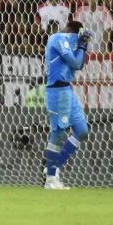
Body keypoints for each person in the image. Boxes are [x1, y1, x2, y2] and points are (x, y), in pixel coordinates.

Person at [44, 20, 93, 190]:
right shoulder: (58, 38)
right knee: (57, 134)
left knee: (82, 131)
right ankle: (50, 179)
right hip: (56, 92)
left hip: (67, 92)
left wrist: (83, 46)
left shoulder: (72, 43)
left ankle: (53, 167)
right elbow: (73, 62)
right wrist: (79, 44)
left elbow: (78, 64)